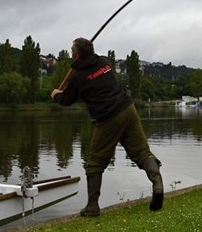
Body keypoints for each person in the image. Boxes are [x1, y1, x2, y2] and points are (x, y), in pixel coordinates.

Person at [51, 38, 164, 216]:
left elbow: (66, 100)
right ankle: (157, 183)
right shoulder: (105, 62)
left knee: (95, 162)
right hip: (128, 108)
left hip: (108, 117)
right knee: (141, 152)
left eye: (72, 51)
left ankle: (92, 206)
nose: (71, 53)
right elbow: (92, 63)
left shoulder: (78, 77)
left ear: (77, 54)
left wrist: (56, 95)